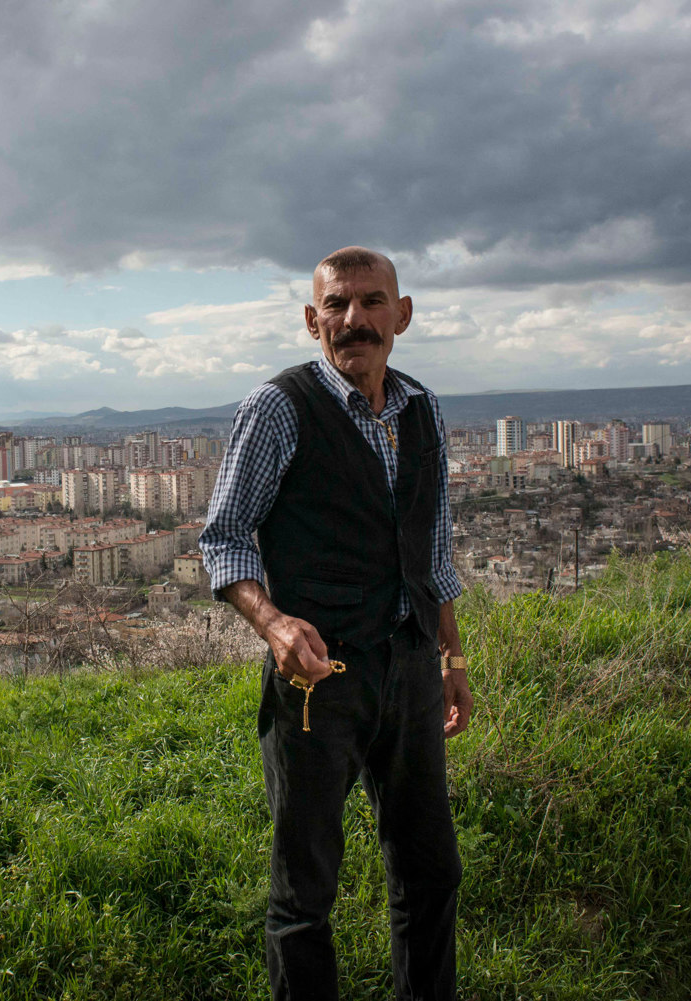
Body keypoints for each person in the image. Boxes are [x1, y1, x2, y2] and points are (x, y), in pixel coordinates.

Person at [199, 246, 473, 1001]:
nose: (356, 320)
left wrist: (455, 660)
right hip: (319, 683)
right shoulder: (280, 407)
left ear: (403, 315)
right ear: (312, 320)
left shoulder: (423, 408)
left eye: (373, 302)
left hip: (412, 669)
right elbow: (222, 540)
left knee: (430, 869)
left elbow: (434, 548)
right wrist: (275, 623)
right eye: (339, 305)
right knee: (305, 891)